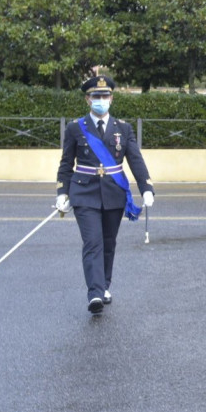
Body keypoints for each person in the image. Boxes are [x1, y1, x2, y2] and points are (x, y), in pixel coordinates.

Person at [55, 75, 154, 314]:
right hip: (84, 192)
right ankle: (95, 294)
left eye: (105, 96)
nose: (101, 100)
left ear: (111, 98)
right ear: (88, 100)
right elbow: (67, 163)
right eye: (96, 96)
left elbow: (135, 161)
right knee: (93, 242)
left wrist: (147, 188)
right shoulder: (75, 128)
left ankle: (104, 285)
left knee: (108, 243)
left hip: (113, 192)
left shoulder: (123, 128)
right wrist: (62, 192)